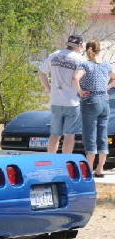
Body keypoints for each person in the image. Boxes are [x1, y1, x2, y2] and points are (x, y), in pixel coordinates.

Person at [72, 39, 115, 177]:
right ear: (99, 50)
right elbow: (114, 78)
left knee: (90, 135)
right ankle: (100, 169)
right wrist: (106, 88)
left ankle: (89, 169)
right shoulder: (106, 65)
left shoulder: (85, 64)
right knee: (102, 135)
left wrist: (80, 91)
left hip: (90, 101)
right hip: (104, 102)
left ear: (87, 50)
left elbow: (74, 78)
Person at [38, 34, 86, 154]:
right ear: (79, 46)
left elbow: (41, 72)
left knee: (54, 135)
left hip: (56, 101)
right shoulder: (80, 59)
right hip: (72, 102)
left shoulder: (54, 55)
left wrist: (48, 88)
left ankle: (51, 160)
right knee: (69, 135)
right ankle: (65, 161)